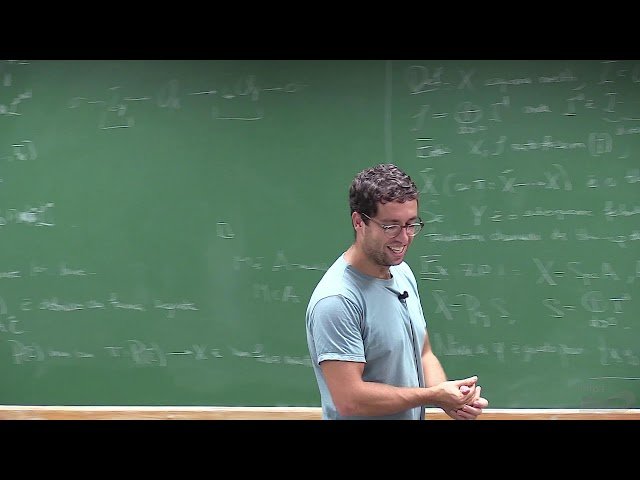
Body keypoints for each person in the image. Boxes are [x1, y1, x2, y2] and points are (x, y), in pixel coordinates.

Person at [305, 163, 489, 420]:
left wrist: (451, 398)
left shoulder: (401, 273)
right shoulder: (338, 300)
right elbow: (350, 400)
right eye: (391, 226)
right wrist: (433, 396)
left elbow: (423, 352)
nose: (404, 238)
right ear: (359, 222)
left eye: (411, 224)